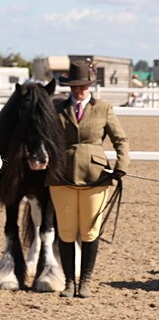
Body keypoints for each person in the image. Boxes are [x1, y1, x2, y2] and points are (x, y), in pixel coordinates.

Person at [47, 60, 129, 299]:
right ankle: (69, 282)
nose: (78, 90)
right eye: (74, 86)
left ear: (89, 85)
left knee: (90, 231)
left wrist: (121, 166)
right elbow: (46, 138)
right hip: (62, 174)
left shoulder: (103, 108)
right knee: (66, 231)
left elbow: (120, 140)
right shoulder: (57, 109)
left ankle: (85, 282)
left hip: (95, 176)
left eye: (82, 85)